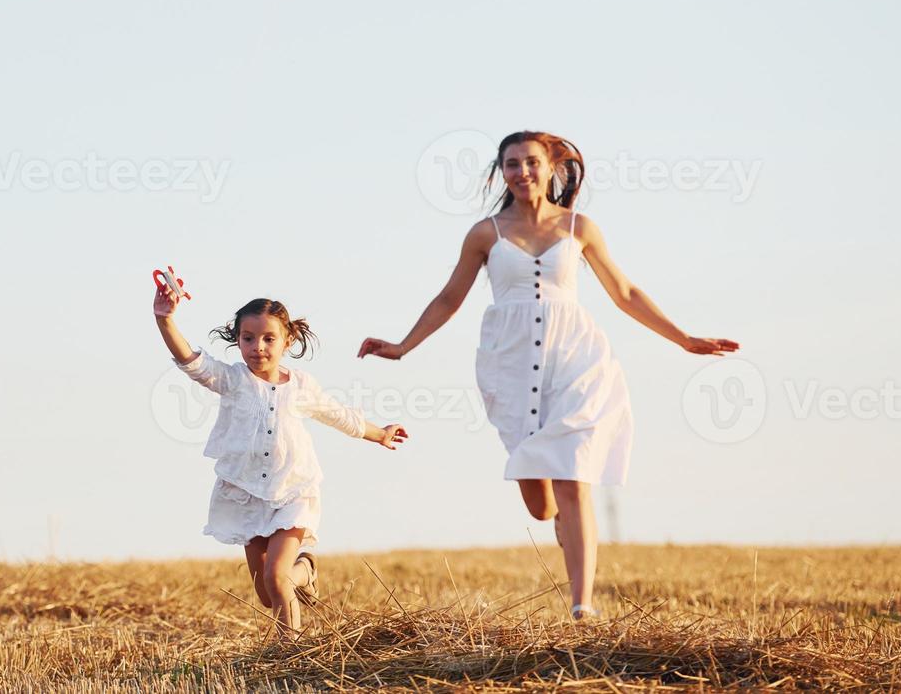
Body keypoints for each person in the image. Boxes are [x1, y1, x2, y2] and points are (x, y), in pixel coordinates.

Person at [357, 130, 738, 619]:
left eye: (531, 162)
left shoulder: (580, 227)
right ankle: (559, 523)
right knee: (541, 503)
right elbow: (450, 298)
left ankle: (582, 606)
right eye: (512, 164)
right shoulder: (484, 234)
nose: (522, 172)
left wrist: (683, 338)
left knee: (573, 477)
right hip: (510, 363)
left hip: (575, 359)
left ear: (551, 165)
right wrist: (403, 347)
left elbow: (624, 292)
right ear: (502, 172)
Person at [155, 282, 408, 635]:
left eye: (268, 338)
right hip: (246, 493)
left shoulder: (301, 385)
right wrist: (165, 318)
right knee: (266, 593)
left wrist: (379, 433)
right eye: (247, 338)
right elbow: (190, 361)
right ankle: (306, 571)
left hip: (293, 491)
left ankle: (292, 651)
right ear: (238, 339)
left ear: (287, 340)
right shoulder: (232, 380)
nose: (257, 347)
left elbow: (337, 414)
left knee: (276, 578)